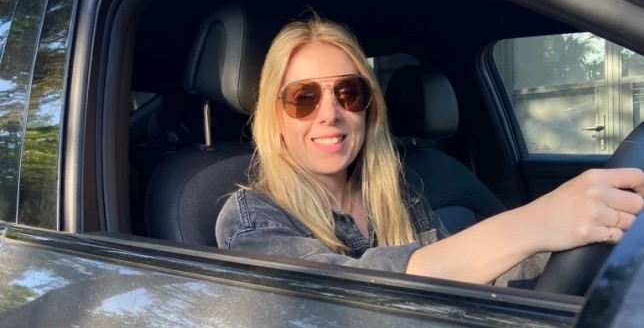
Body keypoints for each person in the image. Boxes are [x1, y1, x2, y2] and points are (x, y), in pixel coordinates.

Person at [215, 15, 644, 286]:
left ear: (369, 108)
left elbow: (470, 273)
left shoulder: (400, 193)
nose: (330, 114)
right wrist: (533, 223)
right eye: (303, 98)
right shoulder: (252, 216)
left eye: (349, 93)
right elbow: (341, 294)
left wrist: (585, 234)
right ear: (276, 119)